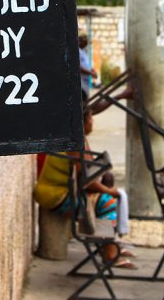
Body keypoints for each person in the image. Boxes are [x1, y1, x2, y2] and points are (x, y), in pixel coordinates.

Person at [33, 109, 135, 268]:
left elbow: (87, 174)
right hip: (55, 196)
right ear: (84, 122)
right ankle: (110, 254)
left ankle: (110, 244)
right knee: (108, 202)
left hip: (61, 191)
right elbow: (87, 181)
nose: (92, 122)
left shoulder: (77, 137)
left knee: (106, 189)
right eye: (90, 118)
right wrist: (110, 192)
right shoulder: (75, 142)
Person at [79, 32, 98, 105]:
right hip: (81, 82)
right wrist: (91, 73)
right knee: (83, 102)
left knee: (86, 101)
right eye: (85, 42)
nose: (86, 44)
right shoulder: (77, 51)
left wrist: (92, 70)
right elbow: (79, 68)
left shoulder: (83, 51)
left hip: (85, 81)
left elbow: (87, 64)